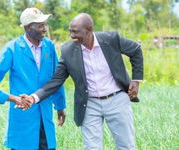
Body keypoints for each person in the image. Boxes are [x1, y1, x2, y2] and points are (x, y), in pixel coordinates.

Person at [22, 13, 143, 150]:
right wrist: (33, 97)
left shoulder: (111, 39)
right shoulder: (68, 50)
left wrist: (136, 80)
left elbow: (136, 50)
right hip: (89, 104)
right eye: (70, 31)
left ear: (89, 30)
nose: (72, 35)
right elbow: (56, 80)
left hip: (117, 99)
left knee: (126, 145)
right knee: (92, 148)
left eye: (76, 32)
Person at [0, 8, 66, 150]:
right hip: (23, 116)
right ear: (28, 28)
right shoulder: (12, 48)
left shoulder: (49, 47)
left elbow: (56, 79)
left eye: (45, 24)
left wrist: (60, 106)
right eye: (40, 25)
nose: (45, 29)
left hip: (45, 114)